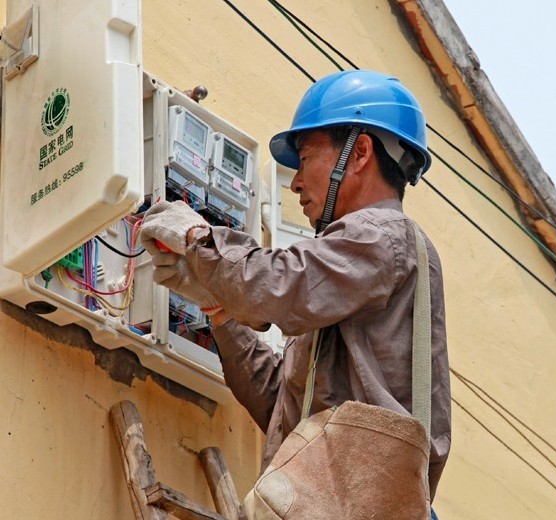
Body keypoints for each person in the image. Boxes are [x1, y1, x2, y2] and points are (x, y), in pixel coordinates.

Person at [140, 70, 451, 511]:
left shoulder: (382, 235)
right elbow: (282, 412)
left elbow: (277, 285)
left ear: (360, 153)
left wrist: (198, 238)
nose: (297, 182)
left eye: (305, 159)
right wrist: (220, 310)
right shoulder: (346, 274)